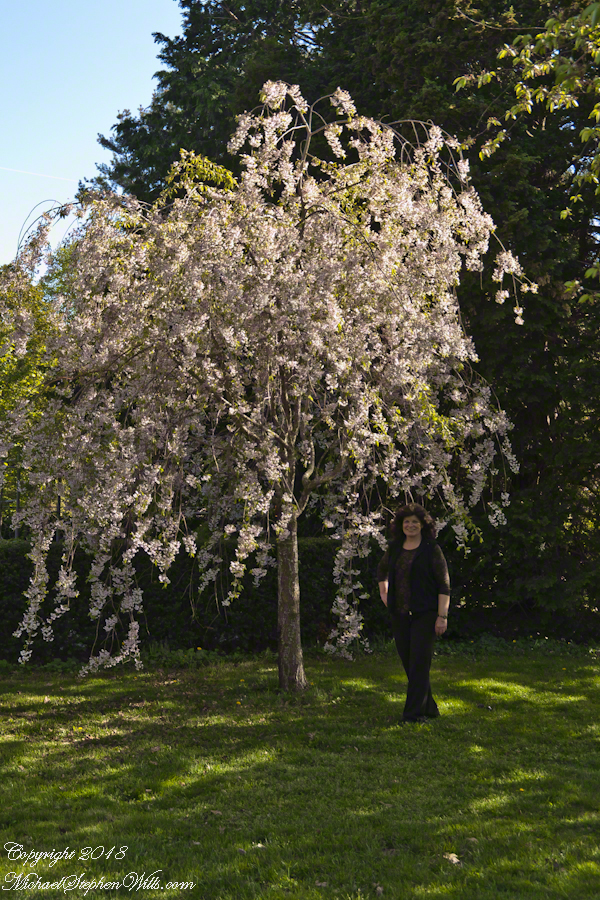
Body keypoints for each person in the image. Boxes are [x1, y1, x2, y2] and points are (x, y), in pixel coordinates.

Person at [377, 503, 450, 723]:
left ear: (422, 525)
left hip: (425, 614)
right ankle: (429, 707)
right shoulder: (395, 547)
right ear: (401, 525)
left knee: (419, 663)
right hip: (399, 614)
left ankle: (413, 714)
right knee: (410, 663)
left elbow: (444, 584)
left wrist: (442, 616)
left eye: (414, 522)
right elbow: (382, 571)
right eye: (406, 522)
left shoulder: (431, 549)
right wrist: (385, 594)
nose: (410, 525)